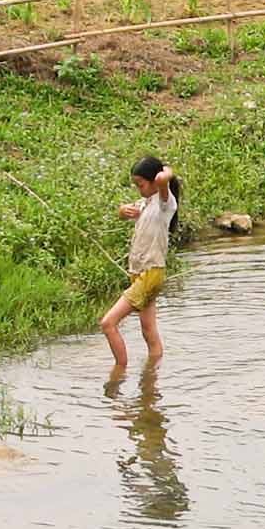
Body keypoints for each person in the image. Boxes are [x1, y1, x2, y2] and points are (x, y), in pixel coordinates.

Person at [101, 155, 181, 371]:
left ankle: (119, 373)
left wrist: (164, 172)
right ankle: (152, 376)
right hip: (139, 273)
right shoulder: (146, 203)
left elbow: (166, 177)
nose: (139, 190)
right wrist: (122, 211)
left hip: (150, 274)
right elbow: (125, 213)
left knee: (108, 323)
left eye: (141, 185)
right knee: (148, 329)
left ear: (155, 181)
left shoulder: (166, 203)